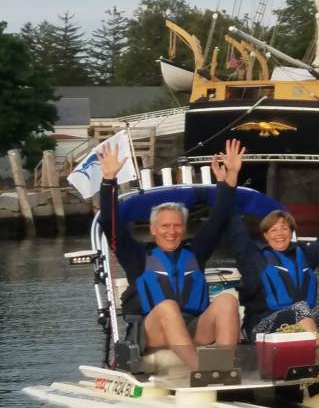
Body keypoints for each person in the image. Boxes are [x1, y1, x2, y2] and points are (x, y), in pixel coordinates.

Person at [98, 138, 244, 368]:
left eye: (177, 226)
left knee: (227, 301)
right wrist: (109, 180)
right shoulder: (136, 256)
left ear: (184, 228)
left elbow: (220, 220)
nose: (171, 231)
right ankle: (200, 371)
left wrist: (229, 180)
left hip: (193, 327)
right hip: (154, 333)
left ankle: (224, 368)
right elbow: (109, 221)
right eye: (165, 226)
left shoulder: (195, 253)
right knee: (168, 307)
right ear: (153, 229)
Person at [227, 166, 319, 343]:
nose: (280, 234)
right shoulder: (254, 257)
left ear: (291, 232)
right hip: (263, 324)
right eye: (273, 230)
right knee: (300, 308)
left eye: (284, 228)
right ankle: (317, 365)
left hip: (303, 317)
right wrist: (229, 185)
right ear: (265, 235)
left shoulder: (306, 254)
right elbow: (236, 229)